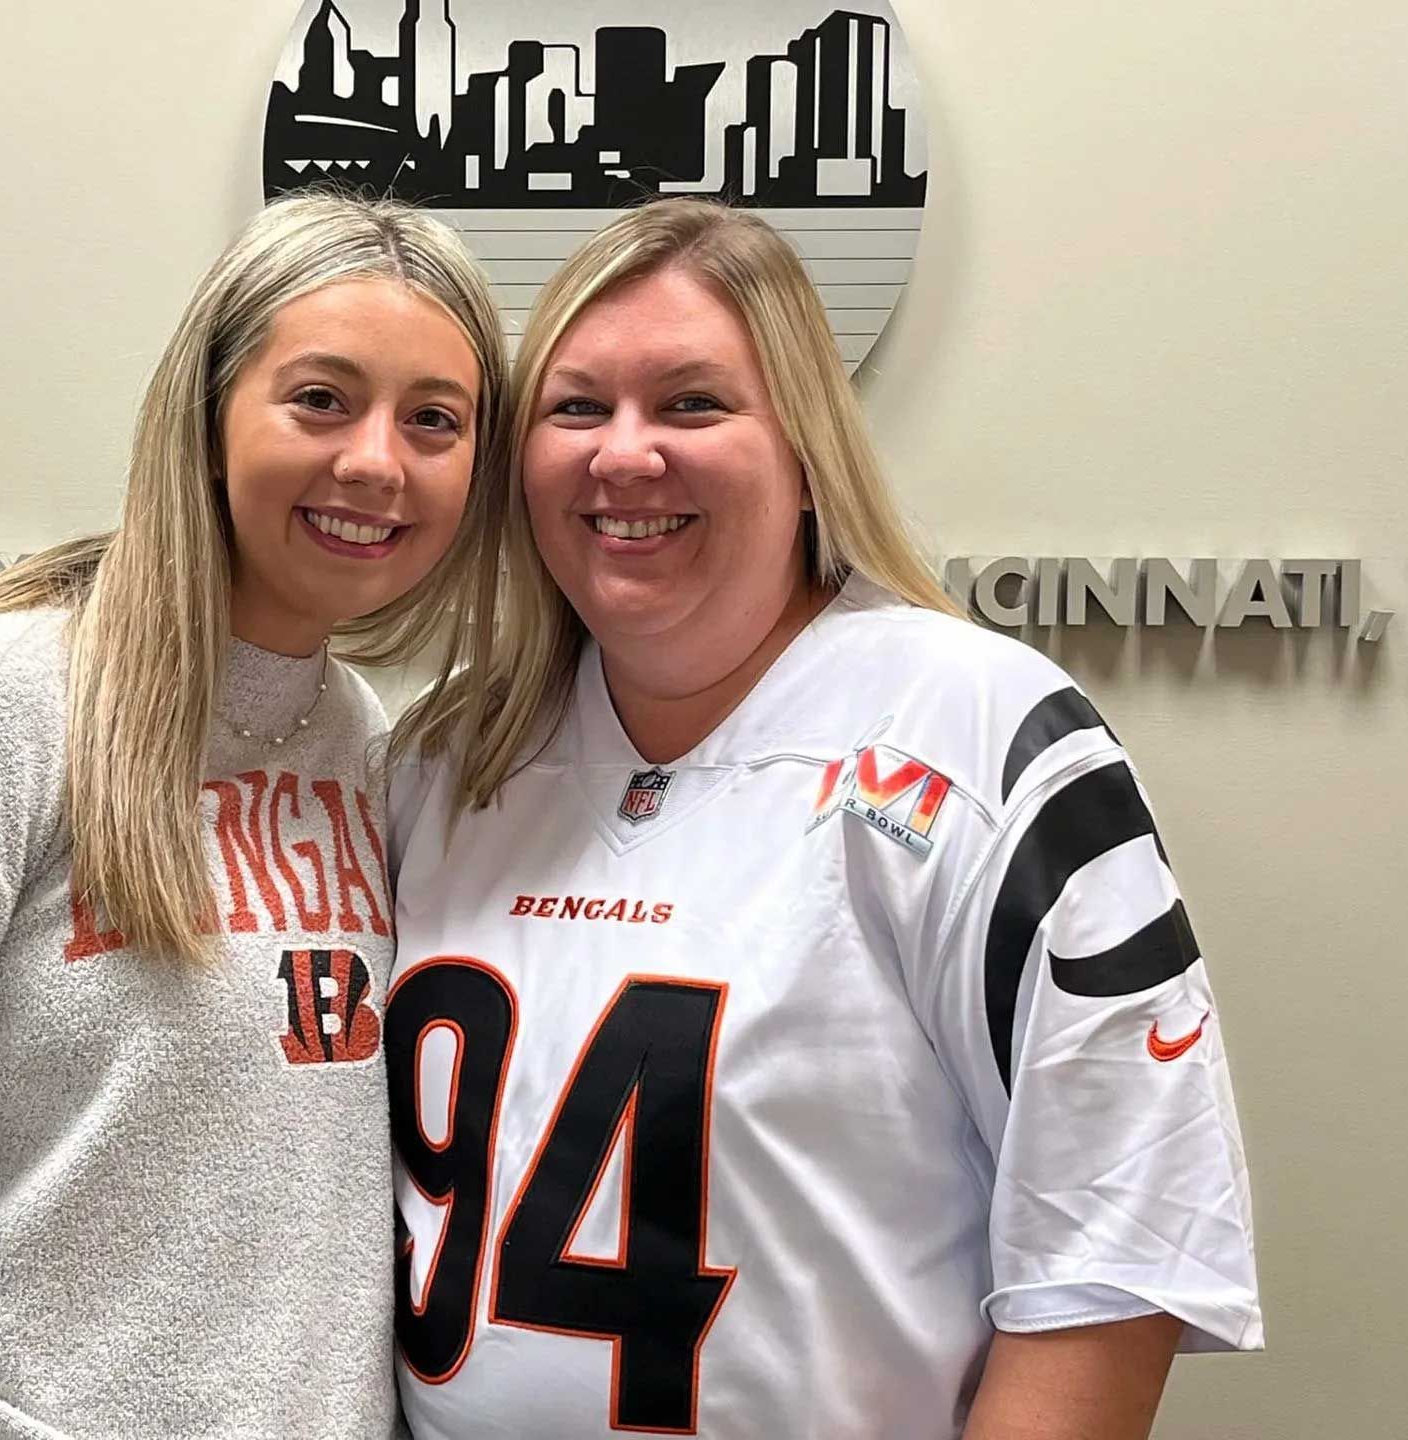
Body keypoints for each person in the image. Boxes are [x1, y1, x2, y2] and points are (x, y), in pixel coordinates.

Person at [381, 200, 1261, 1440]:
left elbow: (1112, 1262)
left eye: (693, 404)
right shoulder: (442, 762)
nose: (624, 456)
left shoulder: (981, 733)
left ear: (806, 449)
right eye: (576, 407)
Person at [0, 192, 508, 1439]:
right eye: (320, 398)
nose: (376, 461)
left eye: (434, 421)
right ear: (209, 418)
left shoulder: (374, 747)